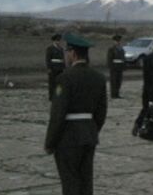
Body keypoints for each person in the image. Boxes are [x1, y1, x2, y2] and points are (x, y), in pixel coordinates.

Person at [44, 33, 108, 195]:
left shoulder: (65, 78)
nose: (66, 56)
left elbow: (58, 114)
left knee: (70, 181)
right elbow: (101, 112)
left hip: (68, 137)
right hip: (89, 135)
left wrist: (50, 142)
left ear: (72, 53)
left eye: (67, 52)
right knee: (86, 181)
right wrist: (92, 130)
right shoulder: (99, 78)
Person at [46, 33, 66, 101]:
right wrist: (49, 68)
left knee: (59, 83)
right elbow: (48, 59)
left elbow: (63, 59)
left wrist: (64, 67)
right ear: (54, 41)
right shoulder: (50, 48)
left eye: (59, 40)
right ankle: (51, 97)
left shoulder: (61, 49)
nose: (58, 42)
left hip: (60, 68)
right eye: (57, 40)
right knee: (52, 83)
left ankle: (58, 96)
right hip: (53, 68)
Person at [106, 35, 125, 99]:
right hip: (114, 67)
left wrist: (123, 66)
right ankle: (113, 95)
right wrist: (111, 67)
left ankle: (117, 94)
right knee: (113, 81)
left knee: (119, 81)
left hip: (120, 67)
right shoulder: (111, 49)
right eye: (117, 41)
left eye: (119, 41)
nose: (118, 42)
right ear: (114, 41)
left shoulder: (121, 49)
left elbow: (123, 58)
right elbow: (109, 59)